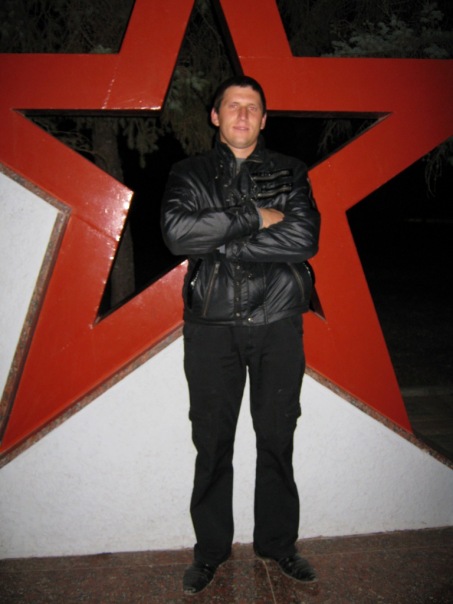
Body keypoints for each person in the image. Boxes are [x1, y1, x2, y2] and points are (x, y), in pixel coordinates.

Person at [161, 75, 320, 595]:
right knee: (211, 442)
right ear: (216, 115)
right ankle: (210, 552)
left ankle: (278, 545)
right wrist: (255, 216)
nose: (243, 115)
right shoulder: (188, 173)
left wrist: (223, 241)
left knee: (277, 438)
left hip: (278, 323)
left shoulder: (291, 171)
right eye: (233, 106)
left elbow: (304, 237)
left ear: (264, 119)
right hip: (212, 326)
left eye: (252, 107)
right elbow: (178, 234)